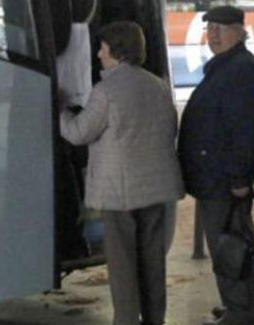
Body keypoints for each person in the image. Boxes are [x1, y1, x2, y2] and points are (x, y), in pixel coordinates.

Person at [59, 22, 183, 325]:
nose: (99, 54)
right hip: (156, 190)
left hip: (120, 194)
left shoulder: (106, 92)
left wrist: (60, 109)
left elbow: (77, 133)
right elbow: (170, 128)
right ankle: (155, 319)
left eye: (102, 48)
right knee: (153, 261)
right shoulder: (158, 85)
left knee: (124, 266)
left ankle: (126, 320)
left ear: (118, 51)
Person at [177, 5, 254, 325]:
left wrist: (241, 175)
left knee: (230, 246)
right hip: (215, 174)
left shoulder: (239, 69)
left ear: (240, 31)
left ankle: (241, 312)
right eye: (210, 27)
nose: (213, 34)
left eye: (221, 28)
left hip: (225, 178)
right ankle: (240, 306)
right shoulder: (226, 66)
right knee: (231, 244)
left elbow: (244, 128)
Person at [43, 0, 98, 264]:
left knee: (60, 171)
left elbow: (56, 40)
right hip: (85, 87)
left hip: (61, 87)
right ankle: (85, 236)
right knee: (78, 163)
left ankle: (68, 241)